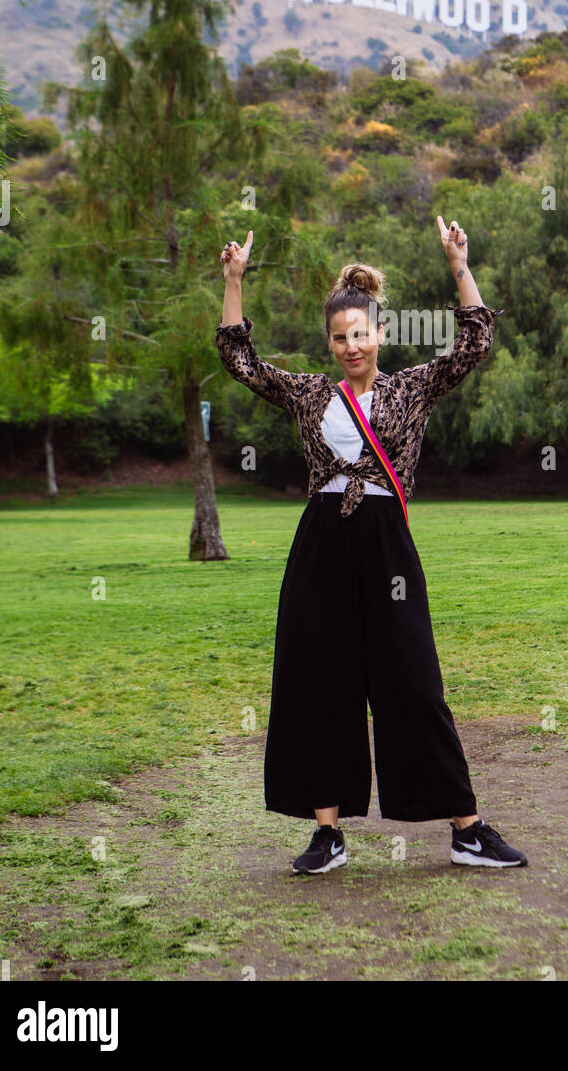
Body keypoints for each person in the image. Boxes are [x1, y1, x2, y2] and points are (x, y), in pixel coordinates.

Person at [215, 216, 527, 875]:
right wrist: (234, 281)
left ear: (380, 334)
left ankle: (466, 829)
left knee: (413, 680)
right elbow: (240, 360)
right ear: (329, 343)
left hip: (387, 545)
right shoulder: (308, 394)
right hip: (322, 545)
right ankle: (326, 833)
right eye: (340, 338)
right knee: (318, 682)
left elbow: (474, 344)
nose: (352, 346)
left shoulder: (410, 388)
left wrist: (459, 265)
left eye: (361, 334)